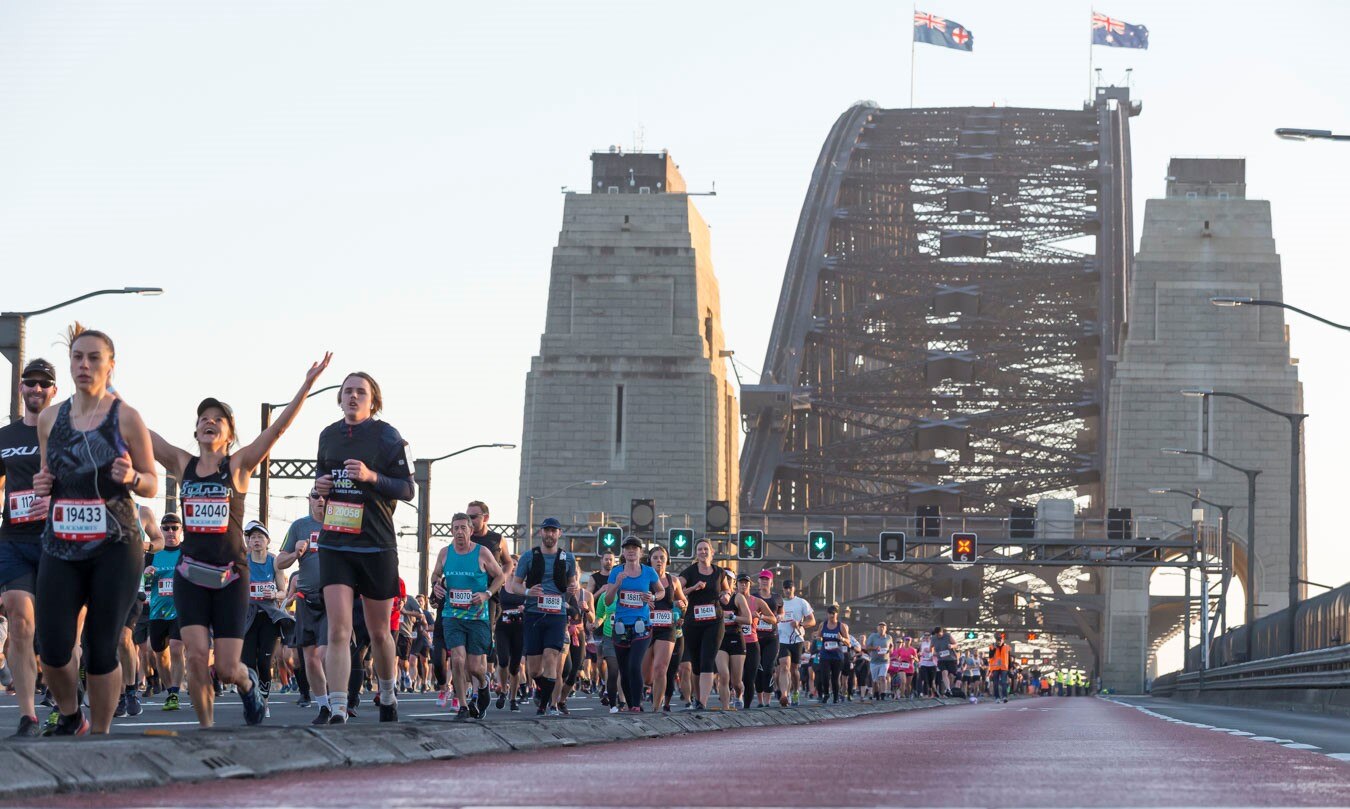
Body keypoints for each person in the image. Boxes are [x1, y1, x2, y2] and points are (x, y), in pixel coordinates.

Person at [149, 355, 329, 728]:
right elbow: (144, 434)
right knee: (197, 657)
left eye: (218, 419)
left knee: (228, 667)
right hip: (190, 575)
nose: (209, 422)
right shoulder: (182, 464)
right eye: (203, 419)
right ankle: (207, 730)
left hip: (230, 577)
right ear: (196, 431)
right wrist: (105, 392)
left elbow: (276, 431)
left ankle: (249, 686)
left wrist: (306, 386)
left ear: (229, 434)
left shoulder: (238, 466)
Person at [32, 325, 159, 735]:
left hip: (116, 544)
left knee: (101, 648)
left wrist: (133, 478)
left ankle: (100, 737)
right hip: (61, 544)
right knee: (51, 647)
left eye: (93, 358)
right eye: (77, 357)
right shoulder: (51, 418)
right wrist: (42, 486)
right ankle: (72, 716)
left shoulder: (126, 417)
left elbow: (153, 482)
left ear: (110, 365)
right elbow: (47, 474)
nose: (84, 365)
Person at [314, 370, 414, 724]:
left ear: (374, 400)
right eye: (347, 392)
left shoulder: (387, 437)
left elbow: (407, 489)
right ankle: (338, 706)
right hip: (336, 543)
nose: (353, 397)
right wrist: (319, 490)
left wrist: (371, 477)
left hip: (375, 545)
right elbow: (318, 490)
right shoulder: (328, 436)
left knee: (379, 632)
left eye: (360, 392)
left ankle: (387, 694)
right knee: (339, 630)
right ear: (339, 398)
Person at [0, 358, 58, 737]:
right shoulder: (4, 437)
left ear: (54, 391)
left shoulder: (66, 434)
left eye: (43, 384)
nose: (36, 389)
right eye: (29, 383)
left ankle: (66, 700)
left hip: (58, 541)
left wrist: (55, 501)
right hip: (13, 541)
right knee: (20, 621)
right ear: (20, 388)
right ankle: (28, 715)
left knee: (57, 633)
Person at [432, 512, 505, 720]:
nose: (459, 532)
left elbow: (500, 576)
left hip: (477, 616)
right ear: (451, 531)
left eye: (463, 528)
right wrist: (436, 585)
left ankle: (483, 683)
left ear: (471, 531)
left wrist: (487, 594)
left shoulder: (482, 552)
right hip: (452, 615)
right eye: (456, 528)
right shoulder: (445, 553)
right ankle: (463, 706)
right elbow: (435, 574)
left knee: (474, 667)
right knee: (457, 659)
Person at [505, 516, 579, 716]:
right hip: (533, 614)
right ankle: (542, 690)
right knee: (534, 670)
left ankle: (545, 706)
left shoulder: (567, 558)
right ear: (541, 533)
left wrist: (573, 589)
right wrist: (529, 592)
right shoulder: (529, 557)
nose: (550, 534)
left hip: (557, 615)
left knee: (551, 657)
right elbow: (515, 585)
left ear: (559, 534)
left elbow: (573, 586)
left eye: (553, 530)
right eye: (546, 530)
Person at [277, 488, 330, 721]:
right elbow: (280, 562)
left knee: (324, 655)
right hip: (306, 599)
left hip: (332, 598)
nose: (320, 500)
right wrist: (296, 553)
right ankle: (324, 706)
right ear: (308, 499)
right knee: (309, 658)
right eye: (315, 495)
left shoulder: (340, 524)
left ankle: (339, 700)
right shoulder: (299, 526)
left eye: (324, 496)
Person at [603, 536, 663, 713]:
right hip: (621, 625)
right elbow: (607, 601)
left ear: (640, 552)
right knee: (624, 668)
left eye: (634, 548)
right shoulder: (616, 572)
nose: (631, 550)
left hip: (642, 625)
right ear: (623, 552)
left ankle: (637, 704)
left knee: (634, 665)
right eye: (627, 548)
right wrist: (617, 585)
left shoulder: (649, 572)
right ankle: (630, 704)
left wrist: (652, 597)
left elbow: (661, 591)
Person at [241, 521, 291, 718]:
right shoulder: (242, 561)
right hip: (248, 617)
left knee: (264, 662)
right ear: (248, 541)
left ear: (267, 541)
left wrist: (274, 594)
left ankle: (265, 702)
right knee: (247, 663)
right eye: (252, 537)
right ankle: (252, 699)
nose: (256, 541)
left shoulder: (275, 561)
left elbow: (283, 592)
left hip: (269, 617)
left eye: (260, 537)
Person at [678, 538, 725, 711]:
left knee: (707, 660)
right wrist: (693, 588)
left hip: (714, 622)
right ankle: (698, 698)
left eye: (706, 549)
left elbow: (726, 589)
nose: (703, 552)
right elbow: (677, 592)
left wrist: (725, 596)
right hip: (693, 623)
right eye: (700, 550)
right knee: (696, 664)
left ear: (712, 552)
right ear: (696, 553)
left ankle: (703, 702)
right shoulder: (689, 572)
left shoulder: (719, 572)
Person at [144, 512, 185, 711]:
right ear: (160, 530)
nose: (170, 532)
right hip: (157, 611)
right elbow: (140, 583)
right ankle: (169, 691)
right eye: (166, 528)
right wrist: (146, 575)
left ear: (181, 530)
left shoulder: (186, 552)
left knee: (177, 647)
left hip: (181, 609)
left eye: (174, 528)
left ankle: (176, 691)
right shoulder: (152, 554)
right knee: (160, 654)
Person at [642, 545, 684, 714]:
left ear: (667, 561)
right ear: (649, 561)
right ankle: (647, 688)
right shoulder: (643, 579)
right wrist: (644, 602)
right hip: (646, 627)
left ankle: (656, 708)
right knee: (646, 676)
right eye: (655, 557)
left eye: (662, 557)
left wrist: (682, 605)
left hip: (667, 628)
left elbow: (683, 602)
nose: (659, 560)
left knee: (661, 668)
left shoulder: (673, 581)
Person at [775, 578, 815, 707]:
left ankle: (796, 691)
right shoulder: (778, 602)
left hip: (797, 639)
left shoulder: (801, 602)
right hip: (782, 639)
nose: (787, 590)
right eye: (785, 588)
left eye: (790, 588)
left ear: (794, 589)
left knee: (794, 670)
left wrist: (800, 623)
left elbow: (812, 621)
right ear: (783, 589)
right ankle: (784, 695)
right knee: (784, 667)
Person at [494, 566, 527, 711]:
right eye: (511, 566)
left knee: (514, 667)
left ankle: (513, 698)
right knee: (502, 661)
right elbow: (493, 604)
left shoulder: (525, 587)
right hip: (503, 628)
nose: (514, 569)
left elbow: (532, 604)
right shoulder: (501, 585)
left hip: (519, 629)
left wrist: (525, 608)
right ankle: (503, 690)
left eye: (517, 566)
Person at [752, 571, 781, 708]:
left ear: (771, 582)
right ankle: (759, 701)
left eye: (767, 579)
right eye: (762, 579)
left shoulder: (776, 598)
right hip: (756, 638)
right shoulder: (753, 597)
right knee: (759, 669)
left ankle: (768, 701)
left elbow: (781, 611)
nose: (764, 581)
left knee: (769, 668)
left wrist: (780, 616)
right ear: (758, 581)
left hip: (772, 637)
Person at [816, 605, 850, 703]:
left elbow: (848, 642)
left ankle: (835, 697)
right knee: (825, 676)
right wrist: (819, 644)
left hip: (837, 656)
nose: (831, 616)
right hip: (825, 655)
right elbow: (818, 637)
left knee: (835, 678)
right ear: (827, 614)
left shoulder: (841, 626)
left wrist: (842, 639)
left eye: (833, 614)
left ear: (837, 614)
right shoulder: (823, 624)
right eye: (829, 613)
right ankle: (826, 693)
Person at [866, 622, 893, 701]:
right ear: (877, 628)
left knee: (883, 677)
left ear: (886, 629)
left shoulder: (889, 637)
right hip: (874, 661)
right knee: (875, 681)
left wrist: (890, 650)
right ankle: (876, 693)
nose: (882, 629)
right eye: (880, 627)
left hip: (885, 661)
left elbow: (891, 647)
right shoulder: (873, 636)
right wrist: (875, 648)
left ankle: (883, 694)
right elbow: (867, 647)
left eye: (883, 627)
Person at [931, 625, 958, 696]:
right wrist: (934, 653)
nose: (938, 636)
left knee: (951, 676)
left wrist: (952, 646)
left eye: (939, 634)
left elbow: (956, 644)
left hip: (951, 659)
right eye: (937, 635)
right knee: (944, 673)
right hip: (941, 660)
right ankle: (948, 689)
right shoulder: (933, 638)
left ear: (942, 632)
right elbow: (931, 648)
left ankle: (948, 688)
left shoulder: (948, 636)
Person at [988, 634, 1010, 703]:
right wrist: (994, 649)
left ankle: (1004, 697)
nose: (999, 642)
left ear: (1002, 640)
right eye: (998, 641)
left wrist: (1010, 668)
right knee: (996, 683)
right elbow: (990, 656)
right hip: (995, 667)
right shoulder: (992, 646)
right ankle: (997, 697)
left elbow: (1009, 658)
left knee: (1003, 682)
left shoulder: (1006, 647)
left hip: (1004, 667)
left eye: (1000, 640)